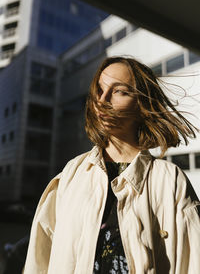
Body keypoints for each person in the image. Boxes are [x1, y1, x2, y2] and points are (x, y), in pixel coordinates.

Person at [23, 56, 200, 274]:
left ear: (142, 104)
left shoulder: (169, 180)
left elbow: (192, 263)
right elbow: (38, 261)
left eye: (119, 91)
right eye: (99, 89)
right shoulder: (71, 173)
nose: (102, 99)